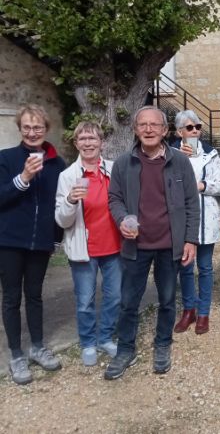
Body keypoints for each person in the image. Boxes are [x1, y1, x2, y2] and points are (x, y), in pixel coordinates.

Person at [104, 106, 200, 380]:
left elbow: (192, 203)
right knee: (128, 302)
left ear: (165, 130)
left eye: (154, 125)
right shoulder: (124, 163)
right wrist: (122, 219)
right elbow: (114, 199)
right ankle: (126, 349)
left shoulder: (179, 162)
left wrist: (190, 239)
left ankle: (162, 344)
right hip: (135, 246)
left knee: (167, 300)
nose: (148, 129)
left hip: (170, 245)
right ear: (135, 130)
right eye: (142, 125)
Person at [0, 104, 66, 385]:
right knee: (11, 298)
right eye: (26, 127)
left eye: (37, 127)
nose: (32, 132)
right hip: (9, 241)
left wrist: (55, 238)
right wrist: (23, 178)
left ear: (46, 129)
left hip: (40, 242)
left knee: (35, 295)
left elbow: (58, 203)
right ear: (20, 129)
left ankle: (37, 346)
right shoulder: (6, 159)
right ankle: (16, 354)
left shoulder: (57, 164)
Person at [55, 122, 122, 366]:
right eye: (82, 139)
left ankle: (105, 338)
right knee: (85, 301)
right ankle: (88, 343)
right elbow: (61, 220)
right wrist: (71, 200)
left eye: (92, 138)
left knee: (114, 297)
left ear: (101, 142)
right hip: (84, 249)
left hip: (114, 246)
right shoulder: (68, 176)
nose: (88, 143)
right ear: (76, 144)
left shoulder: (114, 170)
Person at [171, 110, 220, 335]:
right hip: (182, 220)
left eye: (198, 127)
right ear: (179, 132)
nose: (195, 131)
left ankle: (203, 312)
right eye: (189, 127)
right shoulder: (170, 154)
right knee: (185, 267)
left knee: (205, 267)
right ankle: (189, 310)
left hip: (206, 219)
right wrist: (180, 158)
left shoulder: (210, 154)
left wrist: (202, 186)